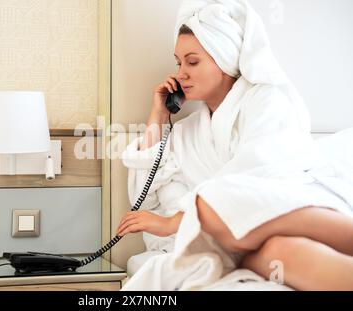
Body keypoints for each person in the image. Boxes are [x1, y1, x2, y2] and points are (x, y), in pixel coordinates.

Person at [118, 0, 353, 290]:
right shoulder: (186, 132)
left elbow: (259, 178)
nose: (181, 73)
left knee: (211, 204)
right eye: (178, 63)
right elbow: (144, 196)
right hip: (245, 242)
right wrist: (157, 115)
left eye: (193, 62)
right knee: (278, 252)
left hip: (282, 207)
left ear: (225, 58)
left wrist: (175, 222)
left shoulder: (267, 101)